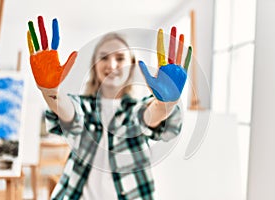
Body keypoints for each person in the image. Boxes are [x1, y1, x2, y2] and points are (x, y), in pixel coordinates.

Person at [27, 16, 192, 200]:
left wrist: (166, 103)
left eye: (120, 58)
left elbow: (153, 114)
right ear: (95, 66)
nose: (111, 65)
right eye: (104, 57)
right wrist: (50, 91)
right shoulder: (84, 106)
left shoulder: (134, 110)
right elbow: (68, 111)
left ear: (130, 66)